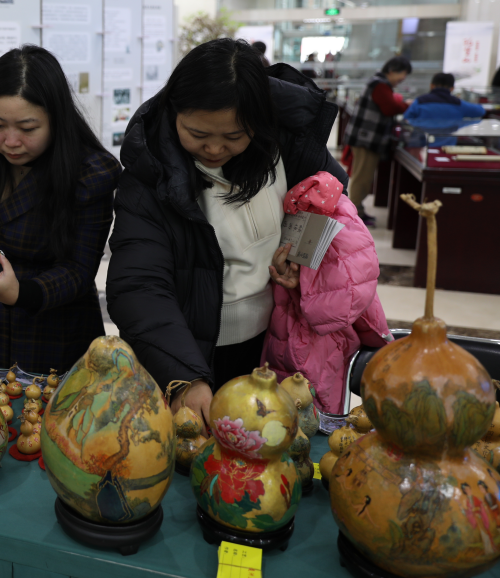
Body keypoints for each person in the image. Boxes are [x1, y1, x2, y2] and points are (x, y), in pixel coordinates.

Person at [106, 38, 347, 431]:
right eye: (197, 133)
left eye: (234, 136)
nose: (215, 148)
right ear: (174, 111)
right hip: (186, 345)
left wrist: (302, 260)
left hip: (273, 343)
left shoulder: (287, 144)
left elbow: (331, 198)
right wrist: (184, 376)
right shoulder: (151, 174)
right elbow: (138, 284)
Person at [0, 45, 121, 375]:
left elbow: (79, 269)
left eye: (28, 129)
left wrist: (21, 292)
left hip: (52, 331)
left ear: (56, 119)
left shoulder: (89, 171)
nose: (11, 141)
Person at [261, 172, 391, 413]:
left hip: (309, 327)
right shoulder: (341, 212)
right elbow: (355, 290)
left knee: (299, 405)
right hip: (309, 324)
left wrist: (306, 291)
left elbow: (347, 295)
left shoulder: (332, 213)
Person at [343, 55, 412, 227]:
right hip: (366, 139)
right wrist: (407, 105)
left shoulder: (378, 82)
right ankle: (354, 215)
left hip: (365, 137)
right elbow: (390, 108)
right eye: (402, 74)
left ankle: (357, 210)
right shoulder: (380, 85)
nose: (403, 79)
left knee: (363, 177)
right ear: (392, 70)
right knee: (362, 178)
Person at [404, 72, 486, 146]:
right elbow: (481, 111)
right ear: (452, 88)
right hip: (447, 148)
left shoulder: (420, 101)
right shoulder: (458, 104)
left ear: (431, 85)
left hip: (422, 146)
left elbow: (406, 120)